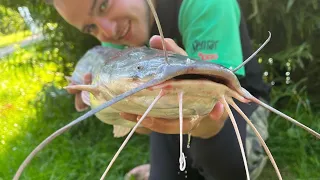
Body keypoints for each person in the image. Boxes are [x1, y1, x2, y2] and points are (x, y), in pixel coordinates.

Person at [48, 0, 271, 179]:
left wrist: (207, 130)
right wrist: (127, 114)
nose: (108, 31)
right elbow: (142, 126)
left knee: (225, 162)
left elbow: (216, 104)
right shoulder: (114, 41)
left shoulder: (206, 3)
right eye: (91, 28)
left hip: (238, 103)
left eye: (104, 4)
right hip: (165, 103)